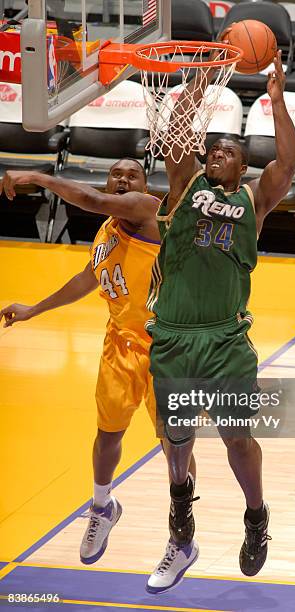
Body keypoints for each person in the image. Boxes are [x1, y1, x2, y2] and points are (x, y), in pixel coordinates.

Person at [145, 49, 295, 594]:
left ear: (242, 165)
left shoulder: (256, 199)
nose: (216, 153)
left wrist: (277, 104)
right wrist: (199, 82)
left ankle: (256, 518)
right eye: (213, 149)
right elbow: (177, 132)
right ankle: (180, 505)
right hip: (174, 336)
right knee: (177, 435)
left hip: (226, 339)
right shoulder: (187, 186)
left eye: (228, 150)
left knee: (237, 437)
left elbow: (288, 162)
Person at [0, 159, 193, 564]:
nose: (123, 180)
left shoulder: (146, 209)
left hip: (165, 348)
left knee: (173, 444)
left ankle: (182, 528)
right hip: (120, 344)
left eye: (132, 175)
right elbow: (90, 277)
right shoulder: (108, 228)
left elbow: (87, 198)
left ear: (144, 184)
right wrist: (36, 309)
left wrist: (34, 176)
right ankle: (102, 506)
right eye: (116, 175)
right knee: (108, 435)